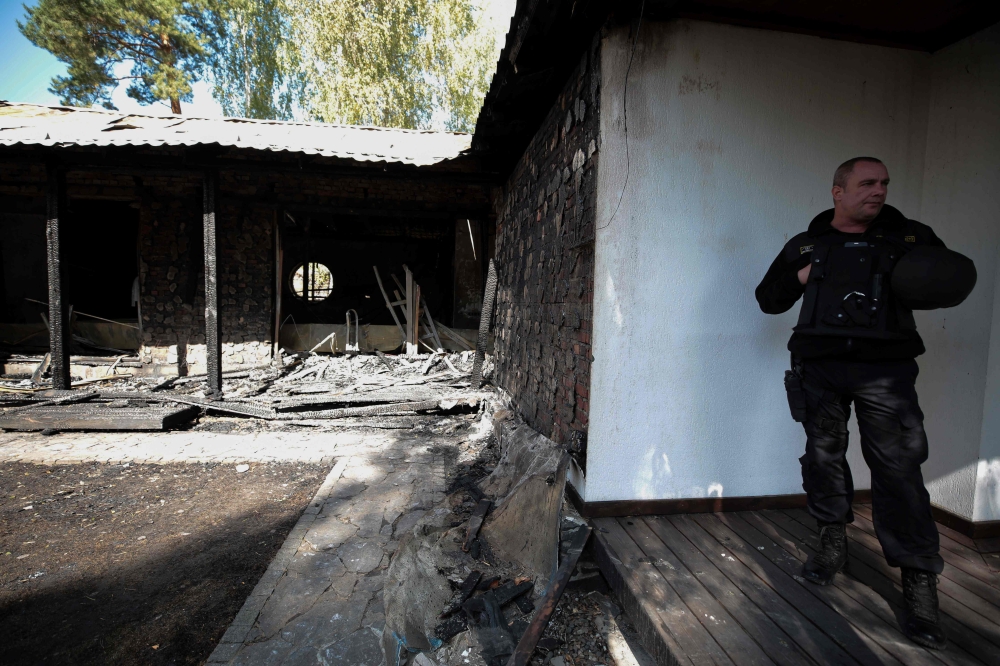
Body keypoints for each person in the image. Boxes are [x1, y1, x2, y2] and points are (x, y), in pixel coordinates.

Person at [755, 157, 947, 650]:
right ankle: (831, 541)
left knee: (898, 469)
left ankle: (918, 578)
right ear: (838, 191)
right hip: (819, 368)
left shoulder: (909, 237)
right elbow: (768, 299)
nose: (878, 191)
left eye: (884, 183)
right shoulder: (806, 243)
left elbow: (946, 283)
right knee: (822, 458)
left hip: (886, 371)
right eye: (867, 183)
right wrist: (806, 274)